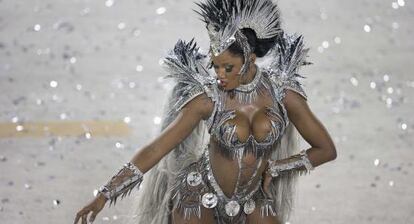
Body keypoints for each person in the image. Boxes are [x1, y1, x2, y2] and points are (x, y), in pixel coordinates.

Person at [74, 0, 337, 223]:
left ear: (250, 58)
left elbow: (326, 149)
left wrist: (278, 167)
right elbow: (156, 149)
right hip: (198, 195)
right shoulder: (207, 99)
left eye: (229, 68)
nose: (219, 76)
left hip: (253, 198)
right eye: (215, 66)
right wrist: (104, 196)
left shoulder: (283, 94)